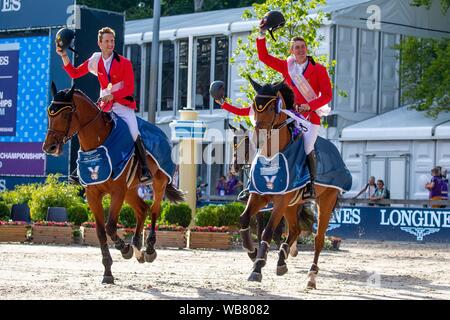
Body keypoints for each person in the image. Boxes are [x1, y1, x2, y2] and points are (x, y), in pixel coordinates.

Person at [56, 27, 151, 185]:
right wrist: (64, 56)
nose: (110, 44)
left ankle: (144, 169)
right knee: (89, 130)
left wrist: (112, 95)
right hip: (104, 105)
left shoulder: (124, 63)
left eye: (112, 41)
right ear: (99, 43)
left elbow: (129, 89)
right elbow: (74, 73)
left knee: (134, 132)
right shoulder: (95, 60)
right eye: (106, 41)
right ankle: (78, 171)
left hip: (122, 105)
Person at [257, 18, 333, 204]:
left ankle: (310, 186)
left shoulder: (319, 69)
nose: (300, 49)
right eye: (296, 47)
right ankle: (259, 183)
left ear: (306, 49)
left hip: (309, 118)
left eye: (303, 46)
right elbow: (263, 57)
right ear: (291, 51)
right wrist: (261, 34)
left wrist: (311, 105)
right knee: (269, 142)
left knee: (307, 148)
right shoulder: (286, 66)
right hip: (290, 116)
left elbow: (327, 96)